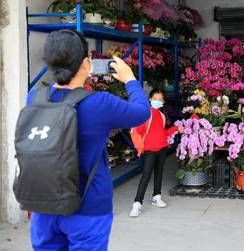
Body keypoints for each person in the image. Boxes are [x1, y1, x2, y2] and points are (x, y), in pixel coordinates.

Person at [28, 30, 150, 250]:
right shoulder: (99, 103)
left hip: (43, 204)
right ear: (86, 62)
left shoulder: (34, 98)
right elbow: (142, 112)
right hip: (88, 206)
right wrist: (130, 79)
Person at [129, 89, 180, 217]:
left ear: (163, 102)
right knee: (146, 175)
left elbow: (163, 133)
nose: (157, 101)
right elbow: (137, 130)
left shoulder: (162, 116)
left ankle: (156, 197)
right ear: (150, 99)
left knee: (159, 173)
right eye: (155, 98)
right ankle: (137, 203)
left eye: (160, 99)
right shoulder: (146, 113)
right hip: (149, 151)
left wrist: (176, 128)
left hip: (162, 148)